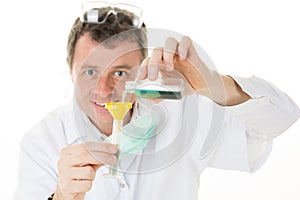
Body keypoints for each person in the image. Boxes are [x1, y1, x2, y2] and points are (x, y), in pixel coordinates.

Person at [14, 2, 300, 200]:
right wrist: (62, 196)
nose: (104, 88)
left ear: (140, 71)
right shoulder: (41, 142)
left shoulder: (184, 114)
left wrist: (213, 86)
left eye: (120, 72)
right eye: (90, 71)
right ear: (71, 72)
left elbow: (283, 117)